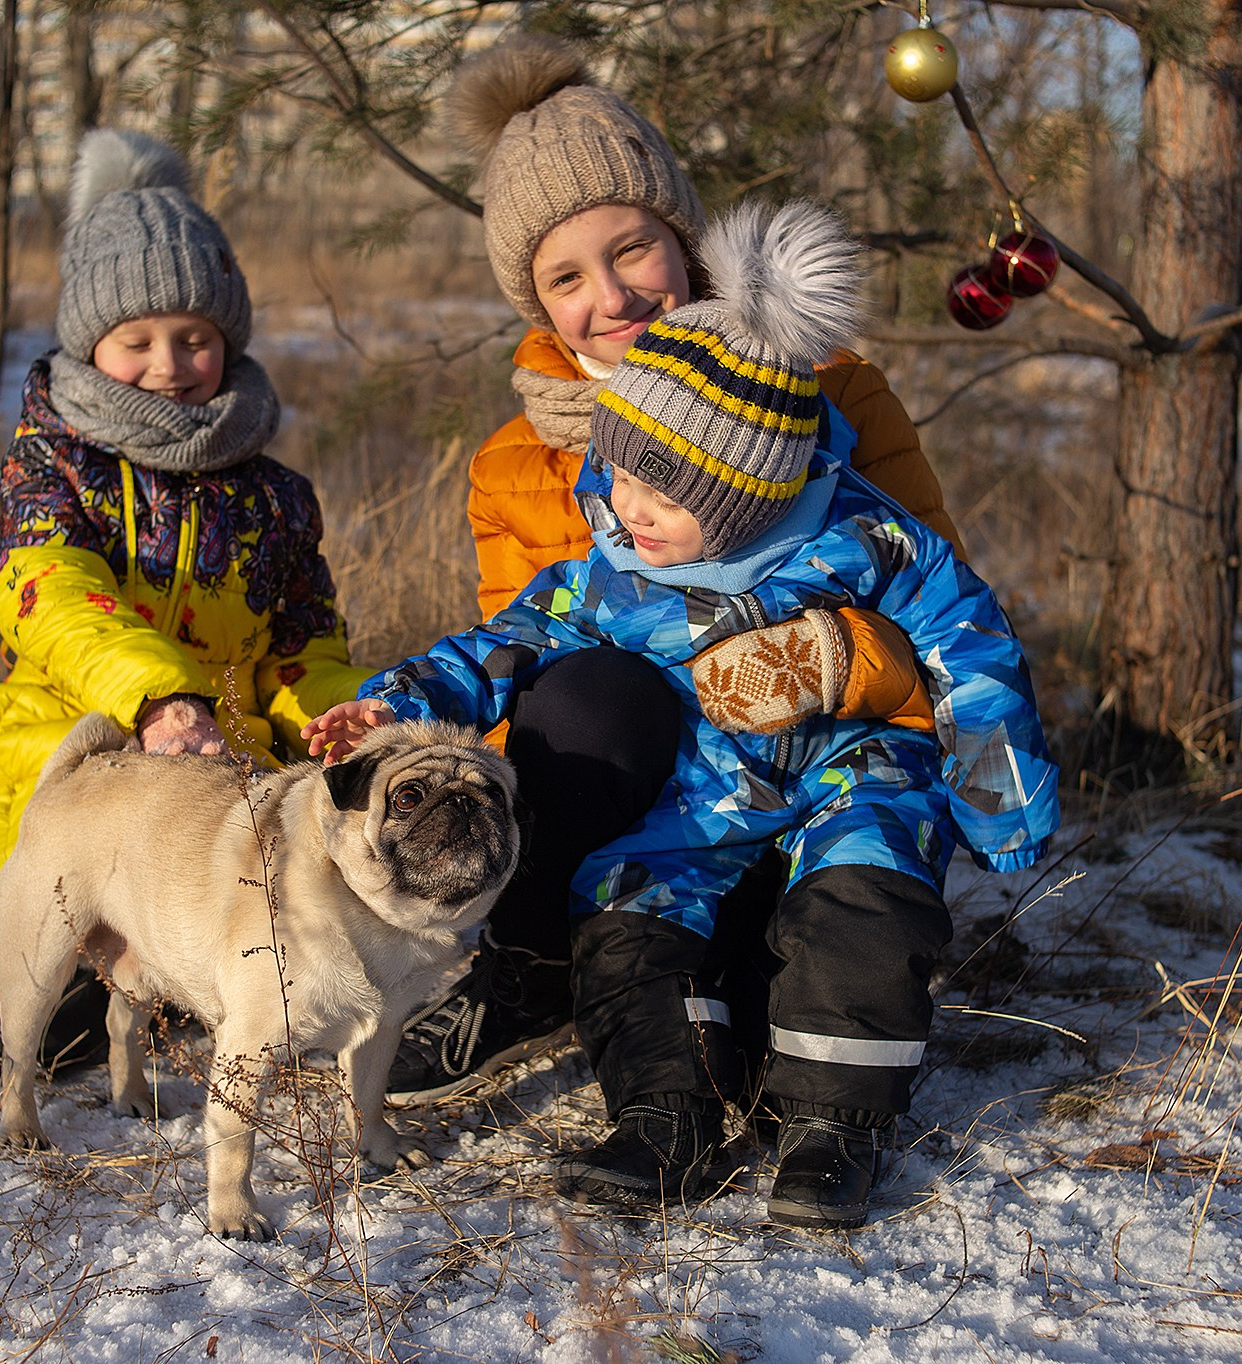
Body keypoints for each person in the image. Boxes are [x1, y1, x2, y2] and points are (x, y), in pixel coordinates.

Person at [307, 200, 1061, 1230]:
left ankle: (832, 1127)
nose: (627, 507)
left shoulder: (869, 540)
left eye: (663, 492)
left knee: (860, 912)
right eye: (619, 473)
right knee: (621, 909)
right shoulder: (619, 559)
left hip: (854, 775)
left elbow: (969, 650)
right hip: (701, 792)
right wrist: (397, 704)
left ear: (749, 496)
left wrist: (998, 799)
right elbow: (501, 643)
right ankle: (663, 1115)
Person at [383, 33, 972, 1102]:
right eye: (564, 275)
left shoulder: (827, 389)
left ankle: (770, 948)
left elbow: (935, 591)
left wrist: (840, 658)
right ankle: (527, 965)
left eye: (631, 249)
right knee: (584, 688)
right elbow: (525, 675)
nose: (609, 295)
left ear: (681, 236)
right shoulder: (513, 461)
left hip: (803, 761)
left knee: (755, 1037)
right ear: (533, 301)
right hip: (634, 789)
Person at [0, 128, 376, 1070]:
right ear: (91, 343)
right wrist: (159, 699)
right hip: (67, 760)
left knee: (317, 983)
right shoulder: (51, 463)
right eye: (138, 340)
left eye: (194, 338)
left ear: (227, 340)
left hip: (220, 782)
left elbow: (303, 643)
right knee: (16, 1037)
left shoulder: (274, 493)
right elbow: (52, 594)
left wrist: (341, 715)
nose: (168, 363)